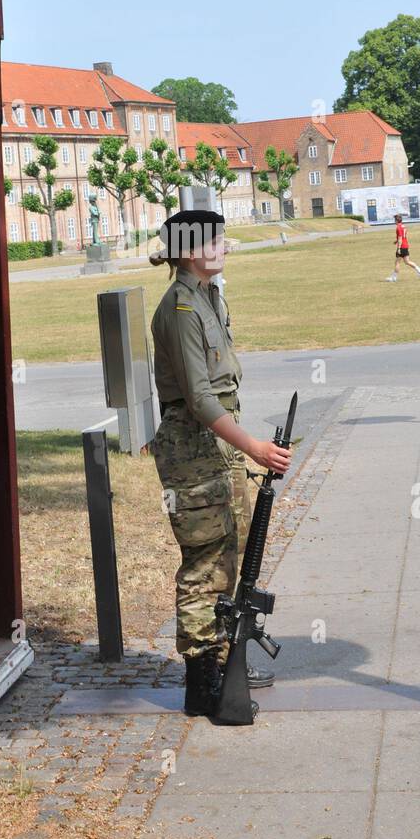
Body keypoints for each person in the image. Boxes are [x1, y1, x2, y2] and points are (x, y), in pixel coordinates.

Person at [150, 209, 292, 718]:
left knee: (230, 556)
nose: (225, 245)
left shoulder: (210, 297)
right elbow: (200, 400)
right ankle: (202, 681)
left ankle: (225, 658)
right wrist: (254, 447)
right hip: (195, 450)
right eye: (216, 240)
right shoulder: (181, 309)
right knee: (205, 562)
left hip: (216, 448)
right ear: (191, 250)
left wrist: (242, 449)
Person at [387, 213, 420, 281]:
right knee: (407, 262)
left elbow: (400, 238)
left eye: (394, 220)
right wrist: (396, 241)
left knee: (397, 262)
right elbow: (403, 237)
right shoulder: (403, 226)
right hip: (406, 245)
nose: (394, 221)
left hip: (402, 247)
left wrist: (398, 248)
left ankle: (393, 278)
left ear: (396, 221)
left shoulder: (398, 227)